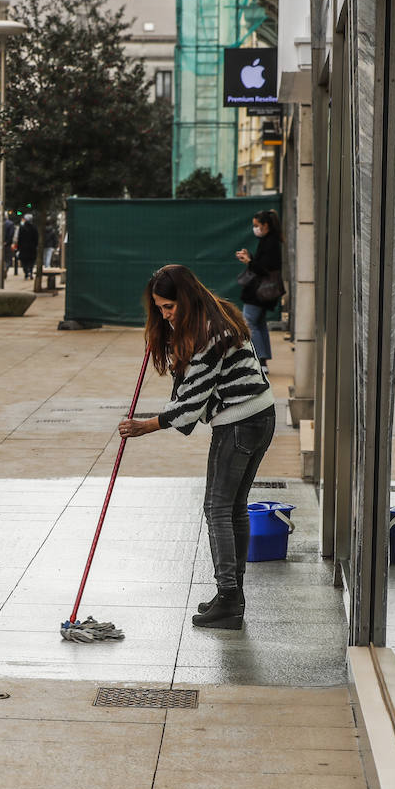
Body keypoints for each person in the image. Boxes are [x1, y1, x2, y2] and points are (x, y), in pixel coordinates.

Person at [117, 264, 276, 630]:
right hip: (261, 415)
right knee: (234, 508)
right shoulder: (217, 313)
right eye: (158, 309)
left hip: (239, 422)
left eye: (168, 307)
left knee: (217, 508)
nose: (164, 314)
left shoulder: (207, 333)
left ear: (185, 300)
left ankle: (229, 600)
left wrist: (147, 425)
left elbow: (192, 400)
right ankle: (231, 595)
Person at [236, 209, 284, 371]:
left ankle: (258, 360)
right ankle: (262, 360)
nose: (255, 228)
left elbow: (264, 270)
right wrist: (250, 258)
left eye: (257, 225)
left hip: (260, 292)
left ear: (265, 225)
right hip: (263, 292)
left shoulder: (270, 243)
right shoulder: (269, 241)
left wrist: (249, 260)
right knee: (259, 323)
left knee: (250, 322)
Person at [14, 213, 38, 282]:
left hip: (23, 247)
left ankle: (26, 272)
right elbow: (36, 238)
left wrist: (18, 247)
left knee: (24, 261)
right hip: (32, 248)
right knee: (31, 261)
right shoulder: (34, 227)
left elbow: (19, 238)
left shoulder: (22, 228)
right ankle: (30, 271)